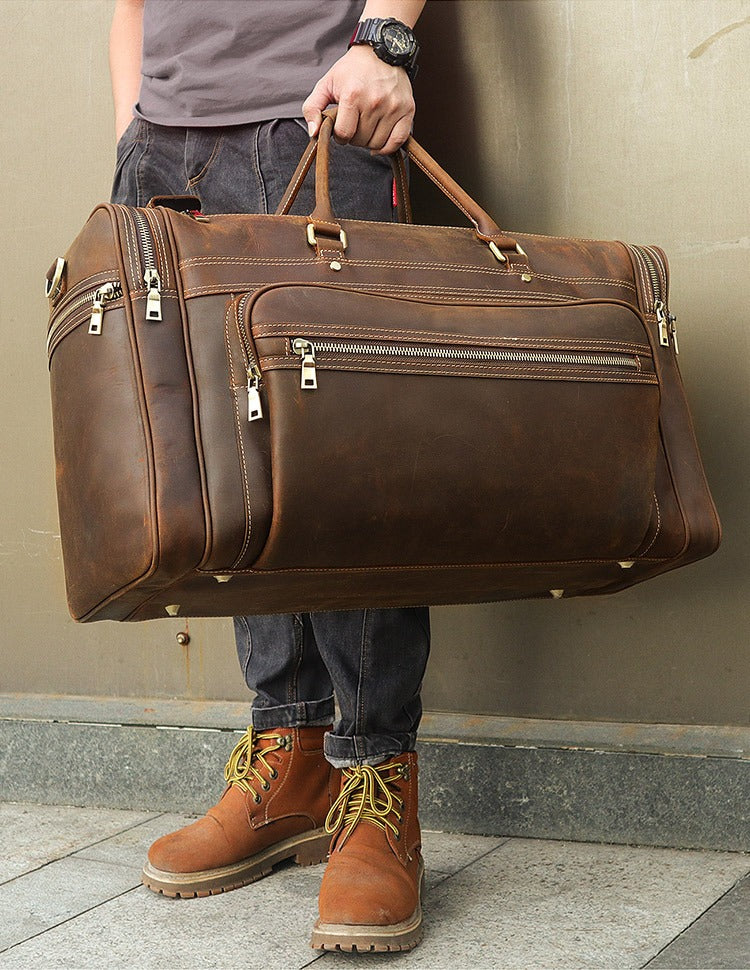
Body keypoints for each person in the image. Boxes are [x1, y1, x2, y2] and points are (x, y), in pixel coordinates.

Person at [109, 0, 429, 953]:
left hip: (319, 115)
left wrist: (384, 42)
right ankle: (290, 758)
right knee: (220, 467)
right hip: (165, 146)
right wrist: (132, 126)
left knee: (345, 469)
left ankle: (377, 782)